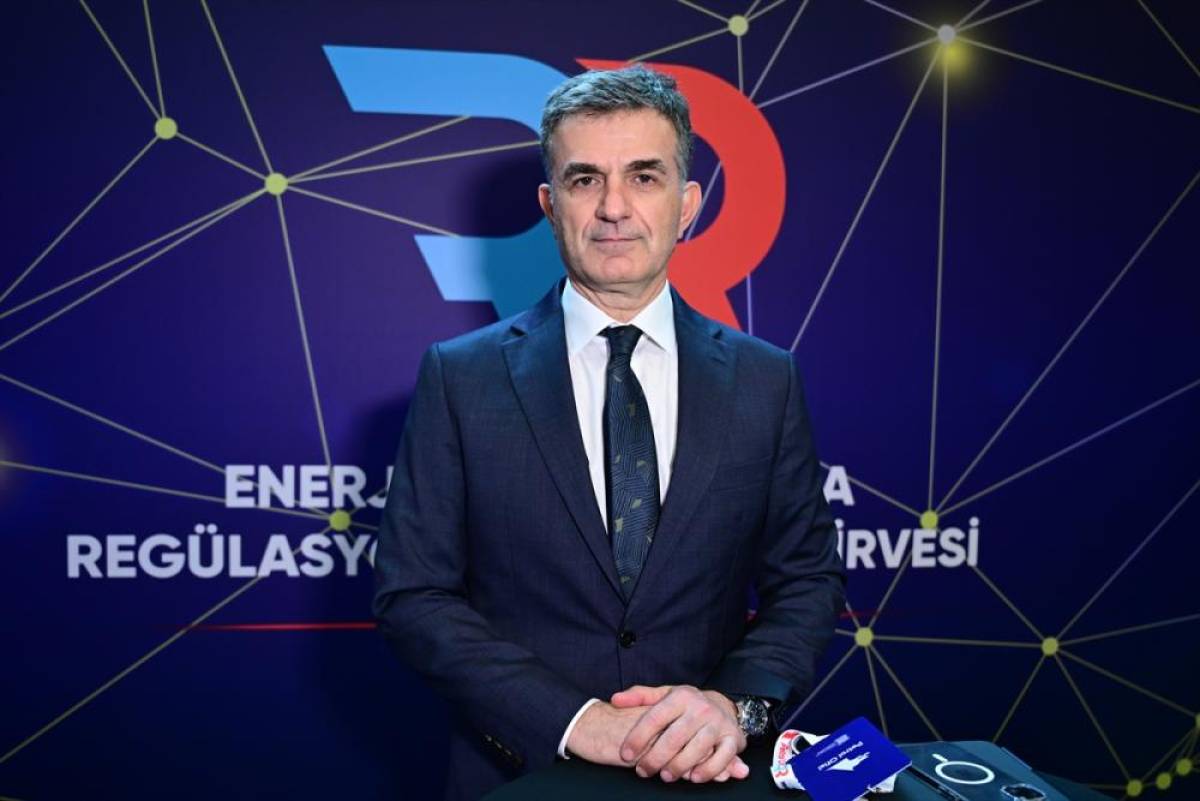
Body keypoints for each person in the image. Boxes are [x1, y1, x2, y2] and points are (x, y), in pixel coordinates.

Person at [373, 64, 846, 800]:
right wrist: (575, 721)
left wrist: (731, 705)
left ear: (687, 205)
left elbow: (808, 580)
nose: (614, 207)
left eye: (645, 177)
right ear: (550, 204)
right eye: (585, 179)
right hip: (521, 779)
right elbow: (414, 594)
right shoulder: (459, 377)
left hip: (709, 777)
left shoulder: (766, 378)